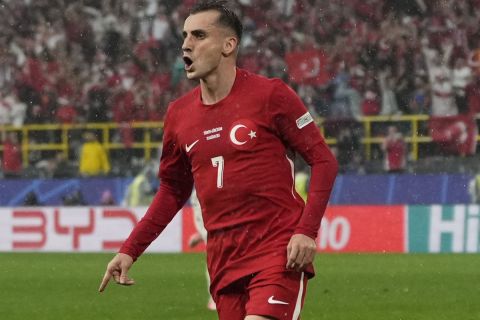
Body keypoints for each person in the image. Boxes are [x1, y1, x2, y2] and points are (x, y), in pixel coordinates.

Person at [99, 2, 338, 320]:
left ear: (229, 45)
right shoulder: (178, 115)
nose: (186, 44)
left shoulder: (270, 96)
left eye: (199, 35)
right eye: (184, 35)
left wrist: (306, 231)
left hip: (276, 250)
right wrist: (130, 249)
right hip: (223, 261)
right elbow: (172, 191)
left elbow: (324, 161)